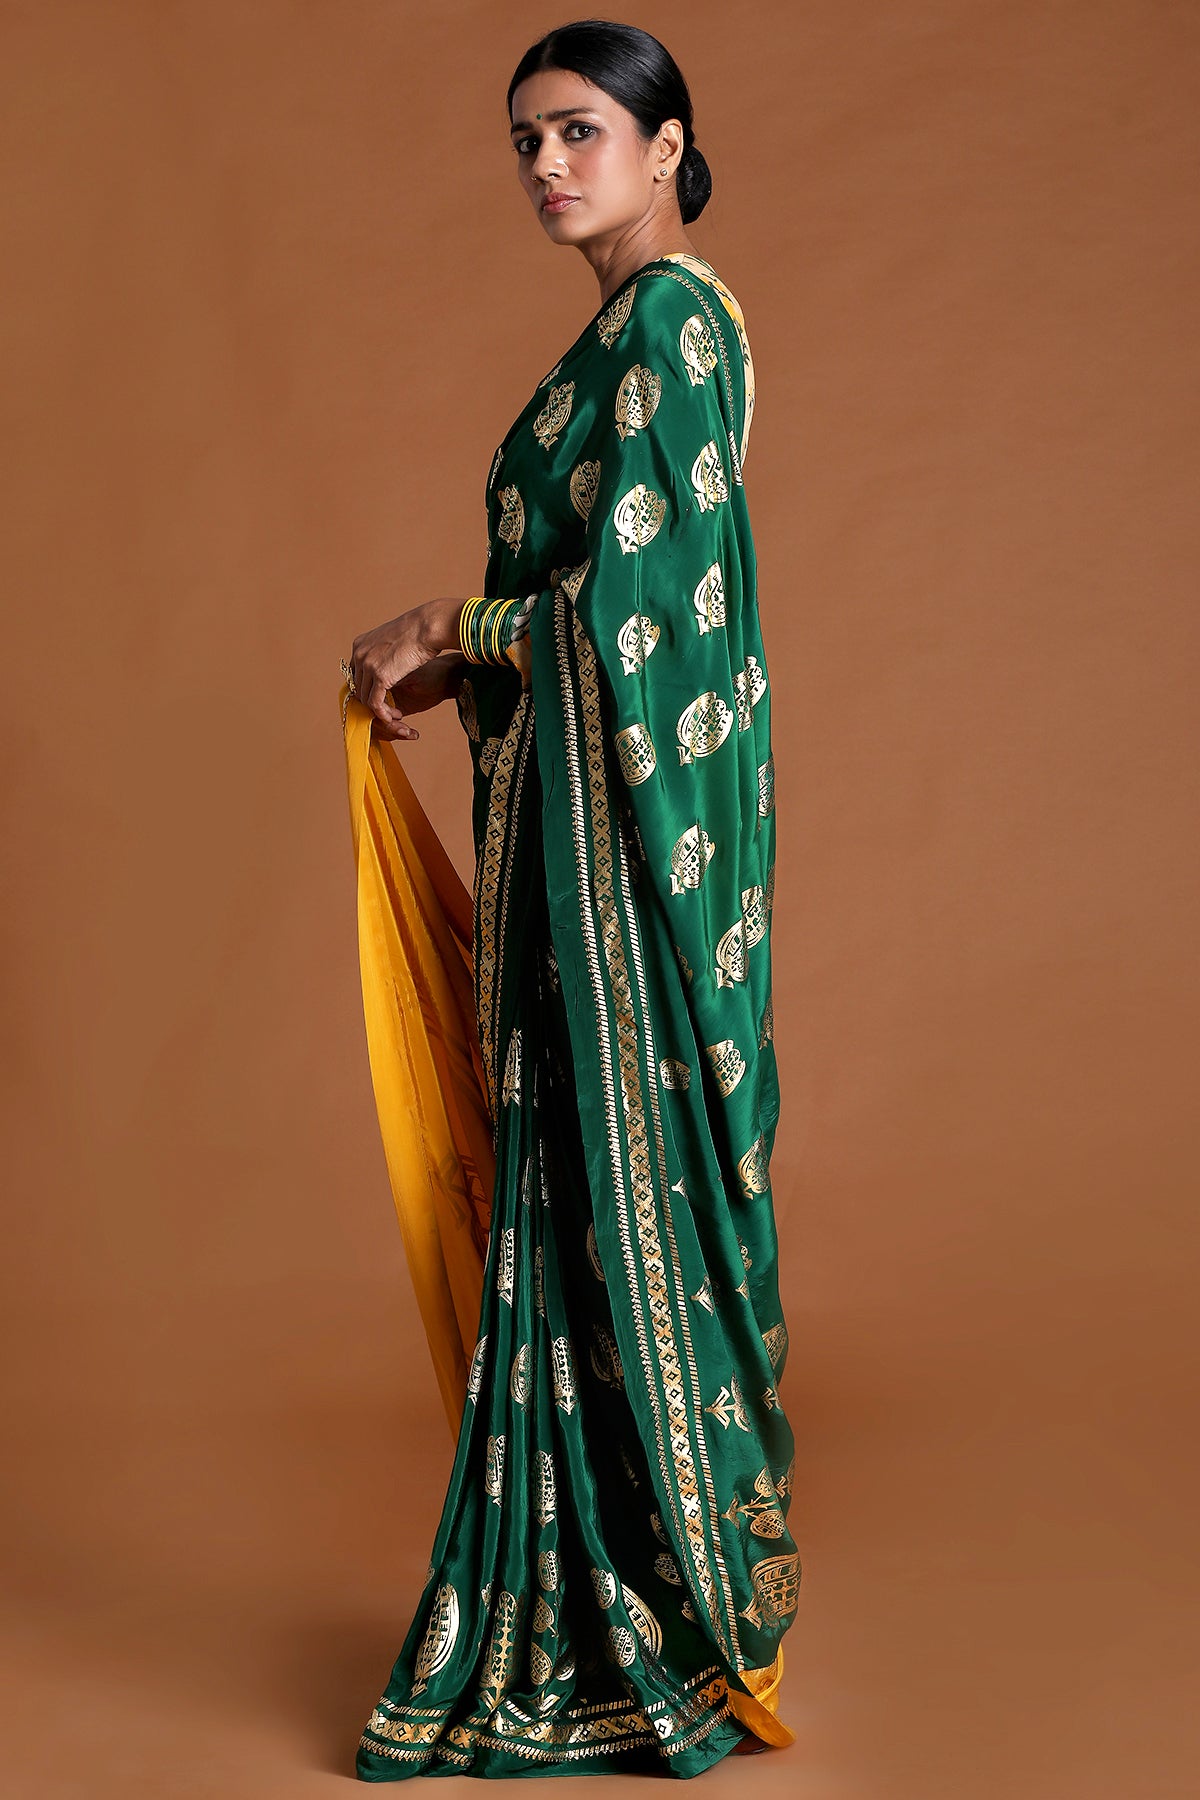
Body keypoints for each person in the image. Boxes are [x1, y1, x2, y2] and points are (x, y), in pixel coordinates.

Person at [340, 20, 799, 1781]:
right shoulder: (617, 339)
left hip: (629, 878)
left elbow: (639, 620)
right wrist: (470, 657)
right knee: (565, 1199)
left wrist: (451, 627)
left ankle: (662, 1619)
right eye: (526, 138)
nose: (545, 163)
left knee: (627, 1197)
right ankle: (595, 1610)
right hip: (569, 860)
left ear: (668, 148)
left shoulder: (674, 321)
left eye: (581, 131)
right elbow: (587, 602)